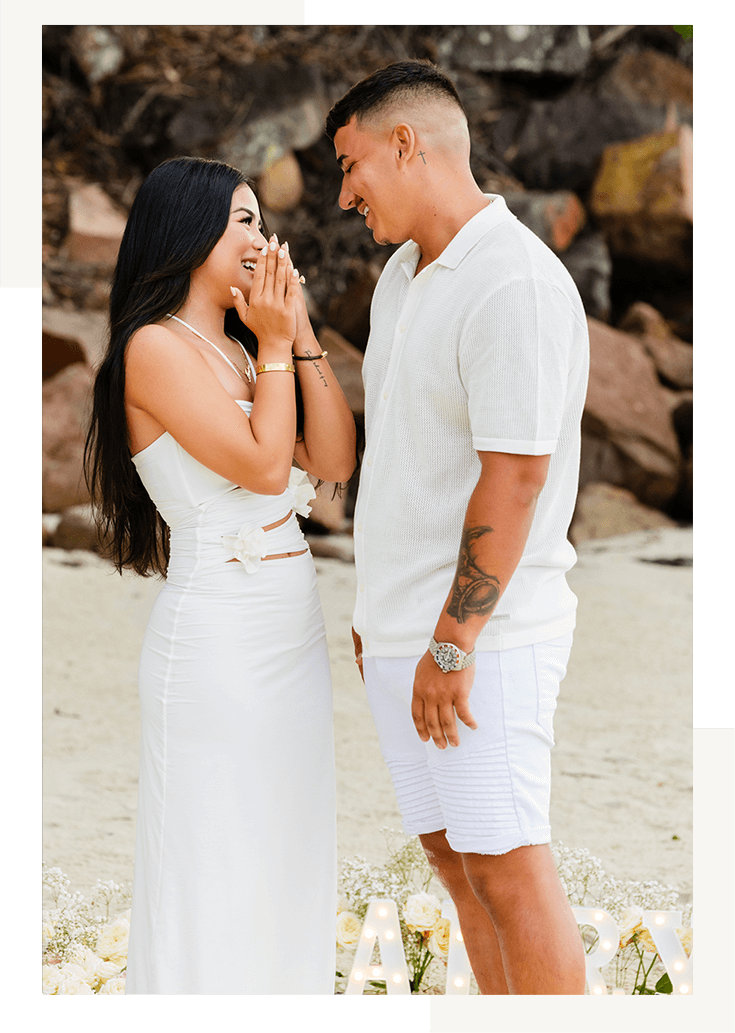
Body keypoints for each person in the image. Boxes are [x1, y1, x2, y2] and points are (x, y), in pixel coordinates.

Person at [326, 60, 590, 994]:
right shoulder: (402, 275)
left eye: (351, 163)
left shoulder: (512, 282)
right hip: (405, 633)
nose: (344, 190)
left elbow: (514, 477)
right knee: (454, 862)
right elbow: (407, 461)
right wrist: (380, 619)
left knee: (510, 868)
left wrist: (450, 641)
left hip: (484, 641)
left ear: (407, 144)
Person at [84, 155, 356, 994]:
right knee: (215, 851)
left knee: (287, 840)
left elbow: (334, 460)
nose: (260, 238)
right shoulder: (153, 350)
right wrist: (274, 342)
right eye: (241, 220)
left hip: (288, 623)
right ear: (188, 229)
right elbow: (267, 468)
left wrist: (297, 333)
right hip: (216, 636)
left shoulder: (245, 354)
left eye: (256, 221)